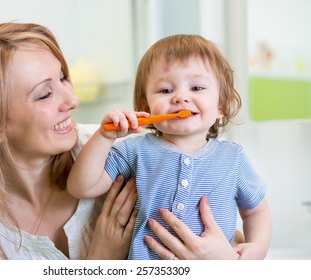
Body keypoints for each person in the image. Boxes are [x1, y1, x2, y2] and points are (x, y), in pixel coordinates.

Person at [67, 34, 272, 260]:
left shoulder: (234, 158)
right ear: (147, 106)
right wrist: (104, 137)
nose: (181, 97)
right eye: (165, 90)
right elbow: (81, 188)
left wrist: (256, 250)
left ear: (221, 105)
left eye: (196, 87)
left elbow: (256, 211)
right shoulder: (133, 150)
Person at [0, 22, 139, 259]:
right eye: (45, 94)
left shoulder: (117, 154)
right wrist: (101, 259)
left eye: (63, 79)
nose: (72, 100)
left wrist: (205, 254)